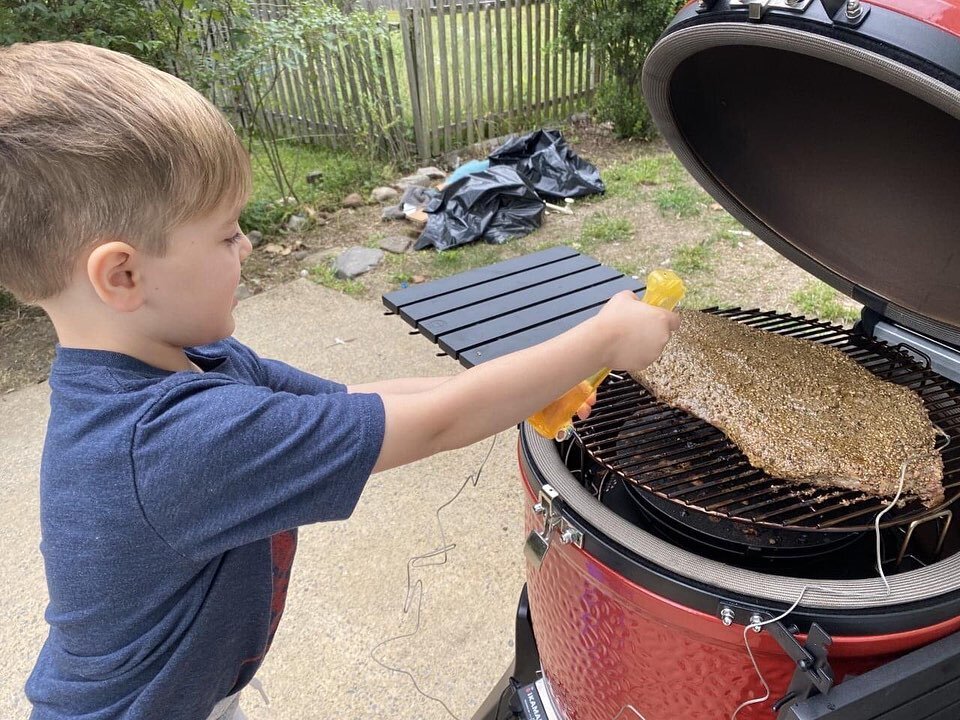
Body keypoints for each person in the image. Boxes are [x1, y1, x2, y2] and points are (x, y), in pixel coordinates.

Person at [0, 41, 679, 720]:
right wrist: (604, 339)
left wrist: (535, 387)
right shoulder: (169, 444)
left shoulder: (193, 359)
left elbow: (361, 402)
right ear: (122, 276)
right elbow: (438, 424)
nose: (249, 248)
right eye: (227, 234)